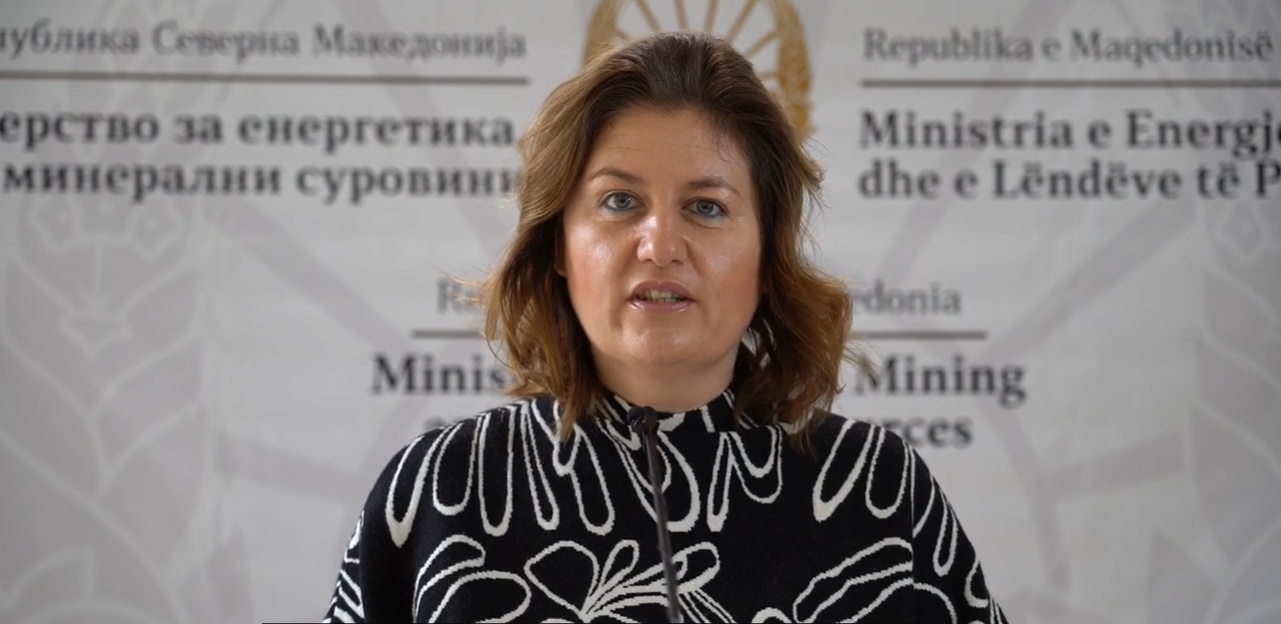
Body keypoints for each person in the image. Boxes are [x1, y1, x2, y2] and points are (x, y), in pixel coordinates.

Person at [323, 31, 1007, 623]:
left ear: (767, 254)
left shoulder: (878, 492)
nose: (659, 245)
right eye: (619, 201)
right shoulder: (442, 489)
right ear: (558, 244)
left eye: (706, 207)